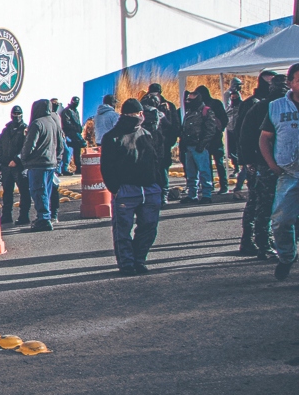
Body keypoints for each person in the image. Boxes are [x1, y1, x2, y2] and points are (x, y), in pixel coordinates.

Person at [100, 99, 165, 276]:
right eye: (137, 114)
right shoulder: (112, 137)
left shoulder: (146, 134)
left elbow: (156, 160)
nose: (140, 117)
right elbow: (106, 166)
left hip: (149, 188)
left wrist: (158, 183)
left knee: (149, 227)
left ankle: (139, 259)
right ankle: (127, 263)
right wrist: (115, 188)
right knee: (123, 229)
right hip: (126, 190)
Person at [259, 64, 299, 281]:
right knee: (281, 220)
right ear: (290, 82)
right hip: (289, 173)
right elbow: (265, 137)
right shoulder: (276, 107)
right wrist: (272, 164)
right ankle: (286, 256)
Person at [237, 73, 283, 259]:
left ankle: (255, 241)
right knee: (263, 204)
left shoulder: (260, 105)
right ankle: (258, 242)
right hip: (263, 163)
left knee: (259, 203)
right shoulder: (261, 106)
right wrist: (249, 162)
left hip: (263, 163)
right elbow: (246, 136)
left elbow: (243, 134)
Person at [21, 99, 64, 232]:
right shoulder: (53, 122)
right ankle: (46, 216)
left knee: (38, 191)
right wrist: (57, 159)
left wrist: (24, 158)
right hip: (51, 163)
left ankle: (44, 219)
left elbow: (30, 145)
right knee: (46, 191)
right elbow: (61, 144)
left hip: (38, 163)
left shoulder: (37, 124)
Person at [180, 87, 224, 204]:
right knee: (191, 173)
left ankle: (206, 194)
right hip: (189, 146)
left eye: (191, 100)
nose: (188, 102)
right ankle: (192, 194)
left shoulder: (205, 111)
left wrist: (203, 143)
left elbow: (211, 129)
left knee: (204, 171)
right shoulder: (189, 112)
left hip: (200, 147)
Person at [0, 106, 29, 225]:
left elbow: (27, 147)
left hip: (20, 166)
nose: (16, 115)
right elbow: (1, 145)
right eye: (14, 113)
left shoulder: (25, 129)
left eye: (18, 113)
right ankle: (6, 215)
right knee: (7, 192)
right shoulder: (6, 129)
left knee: (24, 192)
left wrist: (17, 159)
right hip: (6, 166)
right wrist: (2, 161)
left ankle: (24, 216)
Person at [61, 97, 85, 173]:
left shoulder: (75, 111)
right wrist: (75, 128)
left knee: (77, 149)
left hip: (75, 133)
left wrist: (79, 128)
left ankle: (78, 166)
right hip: (70, 134)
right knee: (67, 151)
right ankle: (65, 168)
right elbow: (66, 123)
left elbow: (77, 122)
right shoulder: (67, 111)